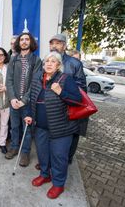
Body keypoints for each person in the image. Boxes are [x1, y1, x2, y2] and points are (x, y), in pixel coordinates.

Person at [24, 52, 81, 199]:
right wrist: (29, 113)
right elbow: (31, 99)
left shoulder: (65, 79)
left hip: (61, 128)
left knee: (59, 157)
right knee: (43, 154)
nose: (49, 64)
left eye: (53, 61)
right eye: (47, 61)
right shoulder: (37, 78)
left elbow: (77, 101)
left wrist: (61, 92)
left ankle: (58, 184)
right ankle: (45, 174)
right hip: (40, 127)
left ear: (58, 65)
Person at [49, 34, 87, 165]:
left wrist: (63, 92)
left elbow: (81, 89)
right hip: (51, 109)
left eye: (58, 43)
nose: (54, 46)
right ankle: (48, 161)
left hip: (68, 108)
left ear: (64, 46)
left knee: (68, 140)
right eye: (52, 43)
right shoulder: (46, 61)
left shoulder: (74, 63)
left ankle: (66, 161)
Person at [5, 32, 42, 167]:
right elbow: (8, 80)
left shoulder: (36, 60)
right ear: (18, 43)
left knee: (27, 129)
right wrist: (13, 98)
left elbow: (35, 82)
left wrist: (24, 100)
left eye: (27, 39)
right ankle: (15, 147)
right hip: (14, 101)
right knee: (14, 127)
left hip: (27, 102)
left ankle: (25, 152)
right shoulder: (13, 59)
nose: (24, 42)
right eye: (22, 40)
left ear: (30, 42)